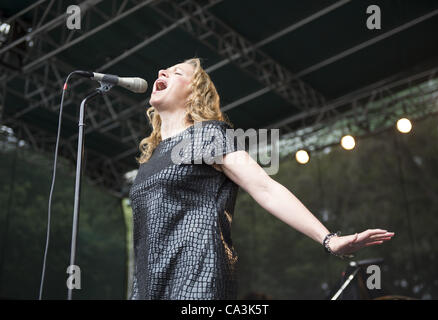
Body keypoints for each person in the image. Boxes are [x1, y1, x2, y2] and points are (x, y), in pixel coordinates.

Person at [128, 58, 395, 300]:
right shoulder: (150, 157)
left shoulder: (206, 135)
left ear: (194, 92)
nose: (161, 71)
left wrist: (329, 240)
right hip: (149, 286)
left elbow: (266, 188)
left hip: (197, 279)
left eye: (176, 72)